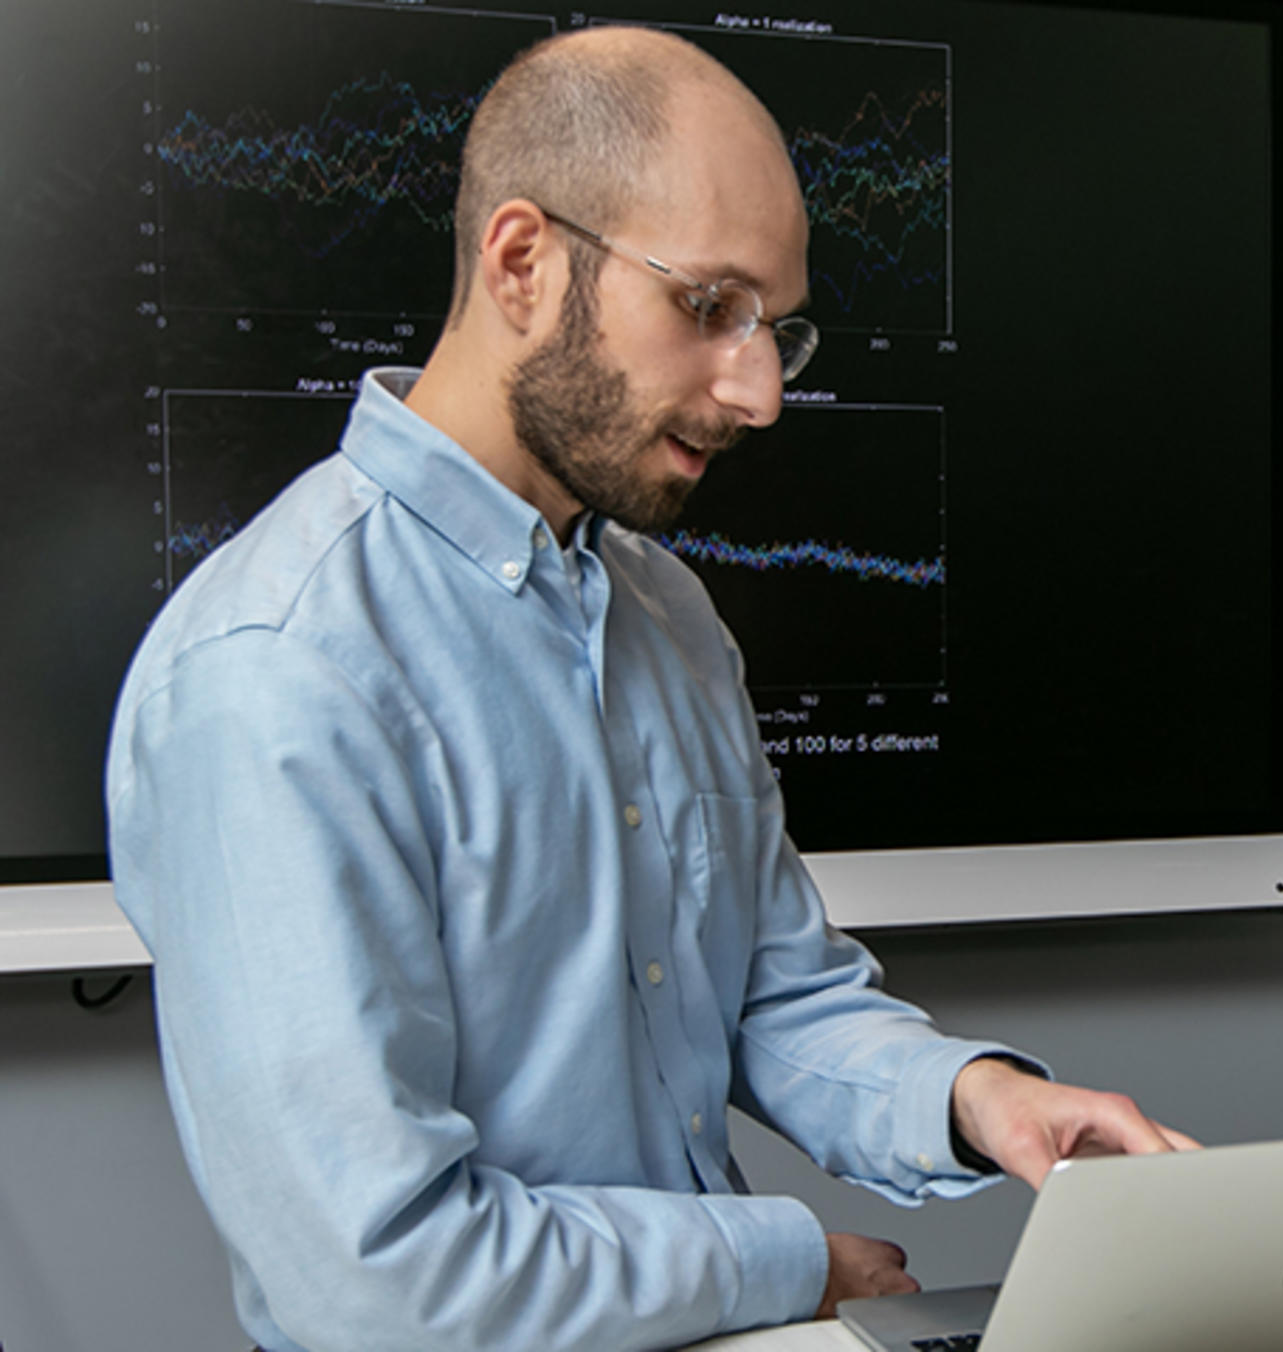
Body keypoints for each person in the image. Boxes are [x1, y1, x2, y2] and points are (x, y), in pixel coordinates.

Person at [106, 28, 1191, 1352]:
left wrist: (976, 1100)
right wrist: (788, 1258)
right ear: (520, 262)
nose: (760, 391)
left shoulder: (666, 612)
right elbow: (377, 1280)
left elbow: (770, 997)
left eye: (776, 328)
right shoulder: (277, 673)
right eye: (708, 307)